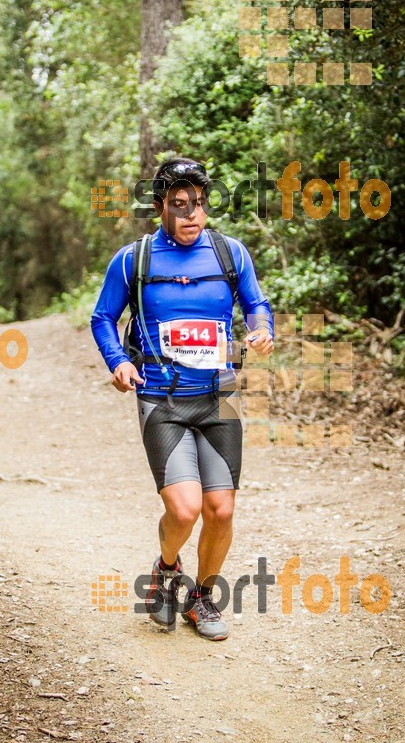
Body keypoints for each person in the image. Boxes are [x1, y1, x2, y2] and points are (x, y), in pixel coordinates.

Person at [91, 157, 274, 641]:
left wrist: (261, 330)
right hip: (160, 397)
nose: (191, 214)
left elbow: (255, 303)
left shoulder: (230, 253)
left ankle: (201, 598)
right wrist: (118, 361)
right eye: (179, 205)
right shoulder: (134, 260)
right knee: (185, 508)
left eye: (198, 204)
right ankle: (166, 571)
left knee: (222, 510)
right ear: (159, 208)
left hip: (219, 395)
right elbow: (102, 318)